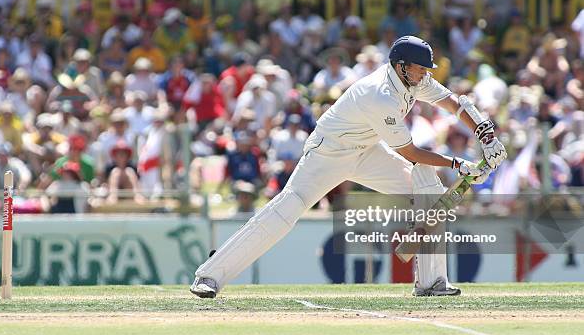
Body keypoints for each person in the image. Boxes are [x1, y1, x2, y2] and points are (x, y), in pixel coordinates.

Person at [190, 36, 507, 298]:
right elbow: (409, 151)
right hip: (328, 153)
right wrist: (458, 163)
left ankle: (431, 283)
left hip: (366, 151)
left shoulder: (413, 80)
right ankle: (210, 276)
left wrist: (485, 131)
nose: (426, 75)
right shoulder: (380, 94)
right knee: (285, 211)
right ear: (401, 67)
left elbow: (454, 103)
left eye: (426, 70)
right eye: (421, 69)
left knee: (429, 189)